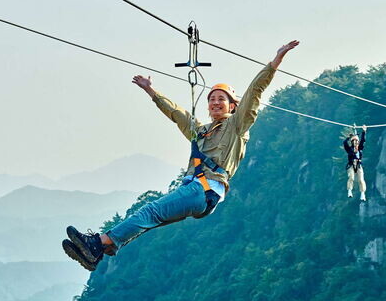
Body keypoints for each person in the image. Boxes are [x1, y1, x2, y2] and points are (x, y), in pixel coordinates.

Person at [63, 40, 300, 271]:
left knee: (150, 212)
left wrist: (275, 61)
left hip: (204, 189)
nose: (215, 103)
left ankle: (96, 244)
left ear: (233, 106)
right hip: (199, 192)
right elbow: (177, 113)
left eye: (221, 99)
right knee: (149, 219)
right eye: (212, 99)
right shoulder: (201, 131)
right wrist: (151, 91)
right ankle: (98, 253)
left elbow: (254, 92)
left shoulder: (237, 126)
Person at [343, 126, 367, 201]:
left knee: (361, 179)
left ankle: (362, 193)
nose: (355, 142)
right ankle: (349, 190)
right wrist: (348, 137)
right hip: (351, 165)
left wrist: (364, 131)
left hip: (359, 165)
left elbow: (363, 140)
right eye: (354, 141)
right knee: (351, 177)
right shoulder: (349, 149)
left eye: (356, 141)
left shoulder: (360, 148)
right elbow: (344, 143)